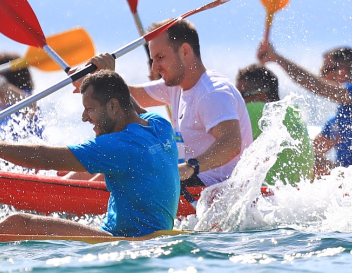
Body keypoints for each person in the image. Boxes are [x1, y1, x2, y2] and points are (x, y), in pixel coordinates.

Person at [0, 69, 179, 238]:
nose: (84, 117)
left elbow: (44, 157)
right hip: (149, 237)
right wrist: (103, 72)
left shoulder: (117, 146)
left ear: (113, 107)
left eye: (89, 109)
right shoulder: (159, 126)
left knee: (18, 222)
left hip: (126, 242)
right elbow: (129, 104)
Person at [90, 20, 252, 188]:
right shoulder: (177, 87)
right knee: (115, 157)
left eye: (160, 58)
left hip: (216, 189)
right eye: (153, 59)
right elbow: (128, 95)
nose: (154, 68)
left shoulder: (212, 93)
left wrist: (190, 167)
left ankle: (78, 197)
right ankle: (75, 185)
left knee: (127, 161)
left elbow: (232, 143)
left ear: (185, 51)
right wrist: (98, 77)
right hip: (195, 184)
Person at [257, 42, 352, 174]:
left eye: (325, 70)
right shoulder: (336, 121)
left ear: (341, 72)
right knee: (305, 159)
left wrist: (276, 58)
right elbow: (307, 154)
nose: (320, 76)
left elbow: (315, 85)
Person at [235, 64, 315, 184]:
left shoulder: (255, 110)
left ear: (261, 94)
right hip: (297, 193)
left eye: (241, 95)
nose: (237, 100)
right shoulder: (293, 112)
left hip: (265, 195)